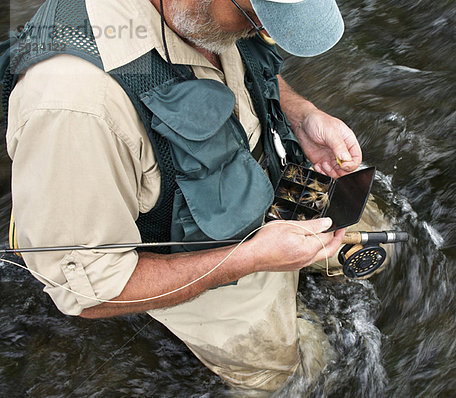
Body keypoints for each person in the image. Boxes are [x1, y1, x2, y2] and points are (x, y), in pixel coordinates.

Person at [1, 0, 376, 393]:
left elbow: (247, 60)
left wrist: (301, 116)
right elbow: (86, 291)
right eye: (255, 17)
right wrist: (247, 259)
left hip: (267, 173)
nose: (259, 31)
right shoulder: (74, 105)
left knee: (378, 239)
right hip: (191, 245)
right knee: (291, 378)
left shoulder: (205, 15)